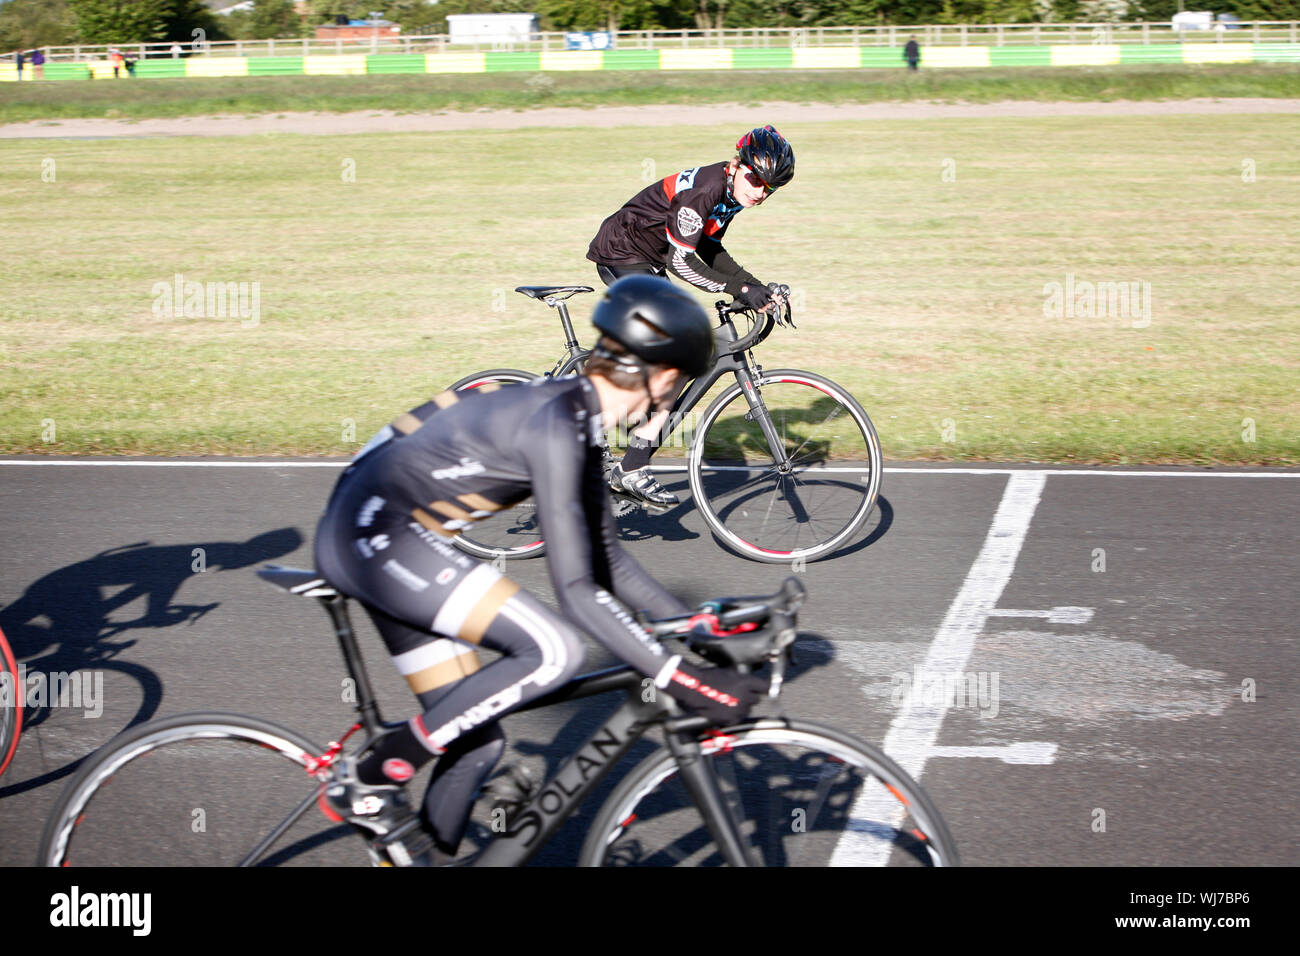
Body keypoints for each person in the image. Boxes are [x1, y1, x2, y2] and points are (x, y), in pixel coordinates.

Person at [312, 275, 767, 865]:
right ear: (658, 376)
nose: (672, 400)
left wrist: (693, 627)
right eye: (678, 384)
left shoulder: (578, 420)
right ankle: (374, 773)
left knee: (476, 744)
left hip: (382, 535)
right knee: (556, 650)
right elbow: (575, 590)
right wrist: (685, 679)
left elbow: (606, 560)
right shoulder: (555, 423)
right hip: (375, 538)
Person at [586, 125, 795, 509]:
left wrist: (755, 287)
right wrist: (740, 290)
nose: (759, 192)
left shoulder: (731, 193)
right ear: (737, 164)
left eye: (769, 189)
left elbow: (710, 249)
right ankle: (618, 454)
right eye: (755, 180)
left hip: (651, 259)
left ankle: (629, 450)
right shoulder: (705, 191)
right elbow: (682, 260)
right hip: (623, 252)